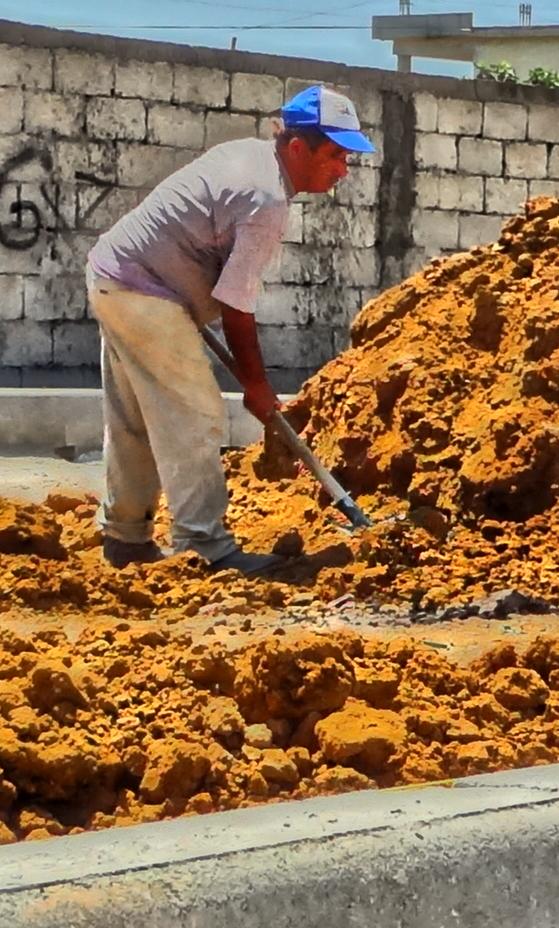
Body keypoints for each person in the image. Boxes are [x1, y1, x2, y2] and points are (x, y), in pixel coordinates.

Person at [81, 89, 375, 576]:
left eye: (347, 158)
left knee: (136, 417)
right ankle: (205, 546)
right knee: (195, 413)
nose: (343, 170)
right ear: (297, 148)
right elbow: (237, 304)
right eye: (335, 155)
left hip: (114, 275)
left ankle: (126, 538)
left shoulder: (248, 156)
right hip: (146, 290)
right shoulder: (266, 199)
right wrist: (257, 386)